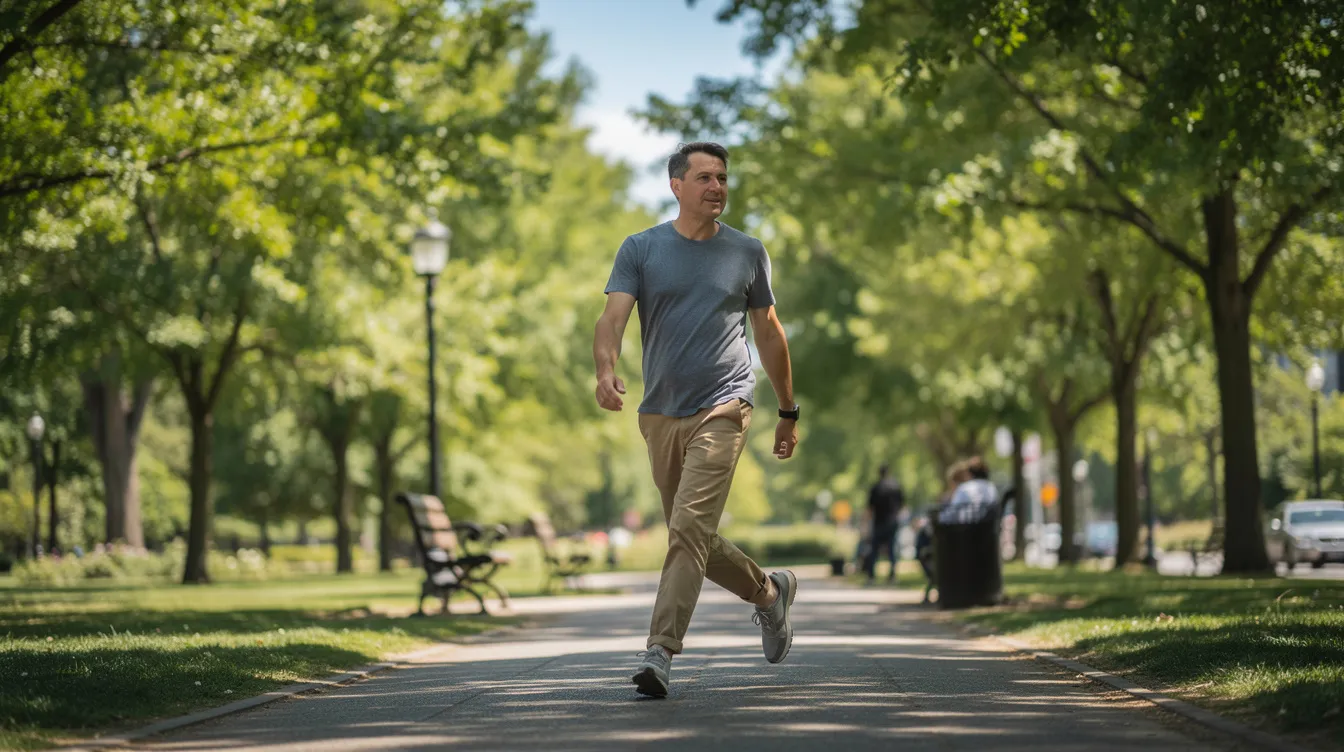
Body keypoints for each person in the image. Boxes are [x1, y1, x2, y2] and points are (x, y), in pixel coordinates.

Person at [593, 141, 801, 698]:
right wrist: (605, 370)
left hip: (726, 404)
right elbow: (612, 317)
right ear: (676, 185)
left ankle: (659, 651)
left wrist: (787, 410)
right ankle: (769, 594)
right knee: (691, 534)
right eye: (705, 178)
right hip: (660, 410)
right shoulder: (640, 249)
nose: (717, 187)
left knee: (688, 531)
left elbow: (769, 334)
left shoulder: (747, 252)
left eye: (724, 178)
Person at [863, 465, 905, 584]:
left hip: (879, 522)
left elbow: (870, 509)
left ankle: (871, 576)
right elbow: (902, 506)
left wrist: (865, 525)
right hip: (892, 522)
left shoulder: (876, 488)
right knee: (892, 549)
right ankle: (892, 575)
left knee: (874, 549)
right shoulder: (896, 487)